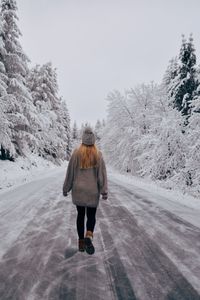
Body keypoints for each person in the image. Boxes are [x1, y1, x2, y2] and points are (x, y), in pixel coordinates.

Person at [63, 126, 108, 255]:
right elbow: (102, 175)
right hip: (92, 192)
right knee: (91, 216)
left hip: (79, 191)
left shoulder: (76, 153)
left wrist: (66, 188)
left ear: (83, 139)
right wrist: (104, 190)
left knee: (80, 216)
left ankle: (81, 244)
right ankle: (89, 235)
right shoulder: (98, 154)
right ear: (93, 140)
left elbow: (70, 173)